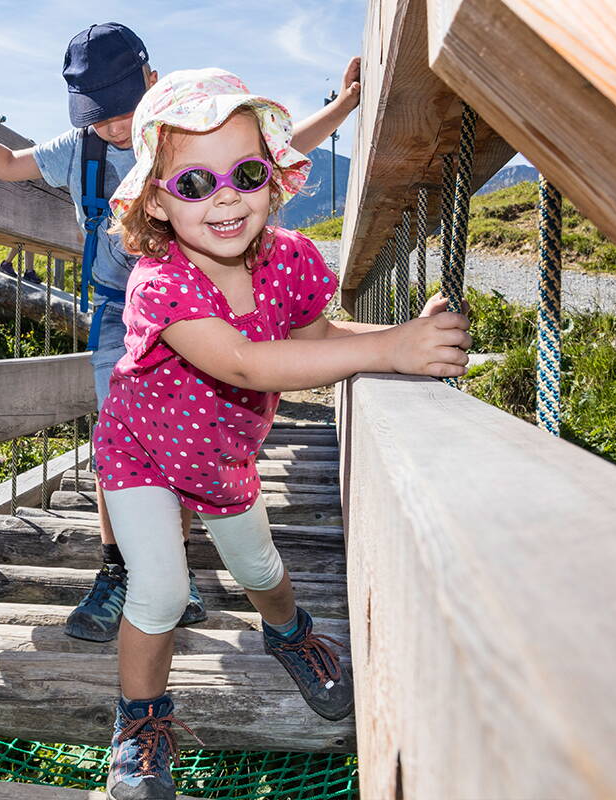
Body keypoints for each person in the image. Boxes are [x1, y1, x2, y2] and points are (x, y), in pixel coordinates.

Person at [0, 23, 363, 644]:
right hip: (121, 309)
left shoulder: (183, 133)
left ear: (152, 84)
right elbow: (6, 163)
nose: (113, 128)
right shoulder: (80, 149)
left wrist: (344, 106)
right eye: (97, 118)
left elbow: (269, 149)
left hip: (201, 300)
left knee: (190, 427)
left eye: (122, 111)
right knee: (120, 437)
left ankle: (169, 563)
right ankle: (125, 566)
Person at [97, 68, 471, 799]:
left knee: (262, 569)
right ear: (158, 203)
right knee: (161, 594)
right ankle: (138, 723)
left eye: (244, 172)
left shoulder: (293, 261)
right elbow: (243, 361)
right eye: (194, 184)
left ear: (275, 179)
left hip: (223, 453)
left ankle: (289, 632)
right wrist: (389, 352)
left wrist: (402, 336)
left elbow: (316, 336)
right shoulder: (161, 281)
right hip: (138, 449)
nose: (226, 196)